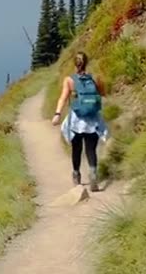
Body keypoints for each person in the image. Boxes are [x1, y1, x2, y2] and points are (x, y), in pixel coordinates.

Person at [51, 52, 108, 192]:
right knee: (91, 149)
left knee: (76, 149)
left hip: (76, 119)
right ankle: (93, 174)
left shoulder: (69, 80)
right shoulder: (94, 78)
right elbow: (102, 94)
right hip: (93, 118)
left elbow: (63, 98)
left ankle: (76, 175)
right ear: (86, 62)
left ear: (74, 63)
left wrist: (57, 114)